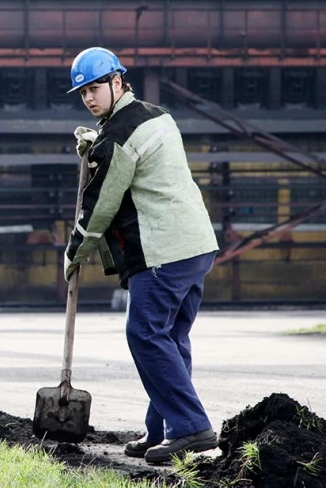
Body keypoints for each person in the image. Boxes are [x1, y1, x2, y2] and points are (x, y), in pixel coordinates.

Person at [62, 47, 220, 464]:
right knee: (170, 337)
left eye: (95, 87)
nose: (89, 98)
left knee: (146, 335)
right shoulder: (156, 115)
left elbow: (100, 204)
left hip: (163, 251)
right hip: (196, 244)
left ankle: (190, 428)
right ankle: (161, 431)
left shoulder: (118, 138)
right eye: (82, 92)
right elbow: (138, 160)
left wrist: (75, 252)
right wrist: (99, 145)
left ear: (117, 81)